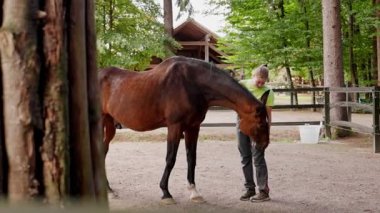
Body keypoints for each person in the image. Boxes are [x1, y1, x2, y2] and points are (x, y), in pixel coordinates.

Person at [237, 65, 274, 202]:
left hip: (258, 127)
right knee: (245, 156)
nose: (260, 84)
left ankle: (263, 191)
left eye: (263, 82)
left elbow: (269, 112)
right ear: (253, 76)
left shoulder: (268, 92)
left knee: (258, 157)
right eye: (259, 81)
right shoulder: (241, 85)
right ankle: (249, 189)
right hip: (241, 124)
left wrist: (268, 128)